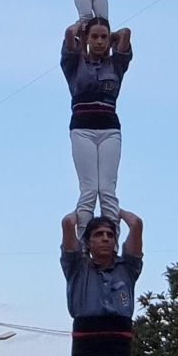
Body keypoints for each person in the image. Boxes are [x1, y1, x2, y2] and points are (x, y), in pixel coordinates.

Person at [60, 208, 143, 356]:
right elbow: (67, 224)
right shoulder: (77, 268)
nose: (105, 238)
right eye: (98, 234)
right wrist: (83, 210)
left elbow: (136, 225)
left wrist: (114, 208)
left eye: (110, 234)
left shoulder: (128, 269)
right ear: (87, 242)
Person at [61, 20, 132, 227]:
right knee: (89, 189)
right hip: (82, 128)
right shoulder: (75, 64)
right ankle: (85, 242)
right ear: (86, 39)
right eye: (95, 37)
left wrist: (113, 35)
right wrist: (80, 27)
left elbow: (126, 33)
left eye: (104, 37)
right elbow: (68, 34)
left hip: (109, 128)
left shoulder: (115, 64)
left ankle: (111, 240)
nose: (100, 41)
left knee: (108, 189)